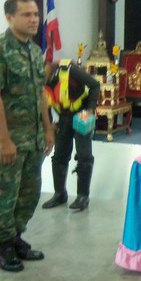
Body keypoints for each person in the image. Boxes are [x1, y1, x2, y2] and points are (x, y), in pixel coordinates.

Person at [0, 0, 55, 273]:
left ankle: (15, 237)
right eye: (26, 15)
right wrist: (4, 140)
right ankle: (2, 247)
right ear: (10, 17)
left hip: (33, 138)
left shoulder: (34, 51)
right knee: (6, 193)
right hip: (8, 139)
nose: (34, 19)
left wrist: (47, 128)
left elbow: (40, 94)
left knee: (29, 193)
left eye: (35, 14)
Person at [41, 59, 101, 211]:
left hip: (82, 114)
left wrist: (90, 109)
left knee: (84, 156)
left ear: (48, 67)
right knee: (59, 156)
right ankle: (60, 194)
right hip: (64, 118)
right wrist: (50, 127)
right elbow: (46, 106)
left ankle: (83, 196)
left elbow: (95, 85)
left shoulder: (69, 70)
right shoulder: (41, 85)